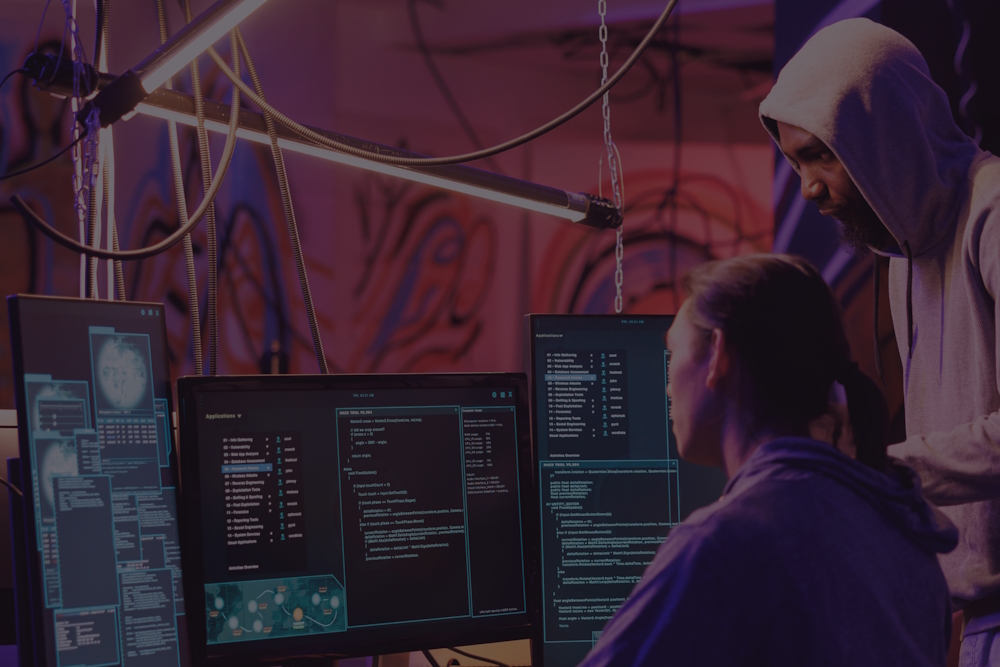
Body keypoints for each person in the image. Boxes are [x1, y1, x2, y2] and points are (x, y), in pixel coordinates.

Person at [758, 18, 1000, 664]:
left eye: (820, 154)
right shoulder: (903, 250)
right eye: (793, 162)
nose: (807, 188)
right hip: (972, 618)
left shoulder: (994, 215)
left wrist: (880, 468)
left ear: (883, 130)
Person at [579, 254, 957, 666]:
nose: (668, 389)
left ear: (718, 354)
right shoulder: (908, 535)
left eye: (673, 356)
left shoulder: (721, 546)